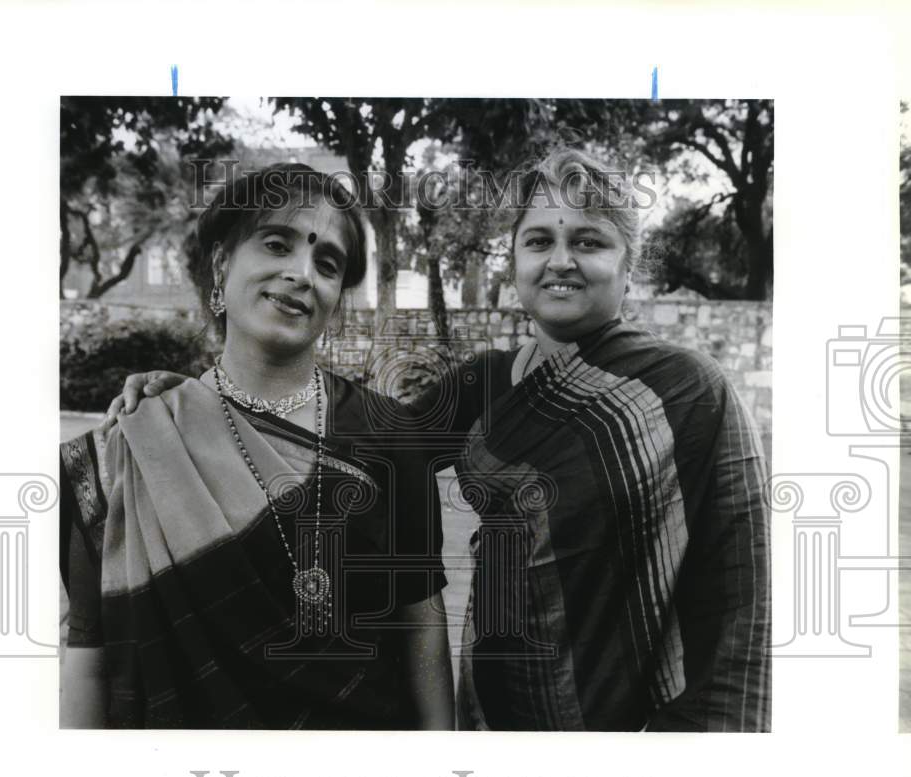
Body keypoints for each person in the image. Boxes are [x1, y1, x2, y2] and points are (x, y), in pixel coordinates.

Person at [106, 146, 771, 732]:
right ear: (514, 262)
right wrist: (199, 395)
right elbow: (357, 441)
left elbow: (742, 591)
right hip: (493, 715)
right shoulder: (487, 385)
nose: (560, 260)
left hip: (630, 728)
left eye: (589, 241)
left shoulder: (688, 390)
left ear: (630, 264)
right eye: (538, 240)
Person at [60, 163, 454, 729]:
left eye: (327, 263)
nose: (301, 274)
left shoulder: (390, 435)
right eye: (276, 244)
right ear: (222, 265)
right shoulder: (135, 447)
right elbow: (90, 658)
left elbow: (421, 620)